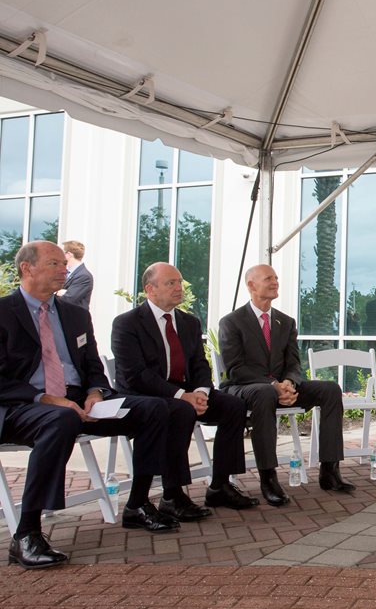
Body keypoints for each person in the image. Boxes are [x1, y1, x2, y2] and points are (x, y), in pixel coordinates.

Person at [0, 242, 179, 569]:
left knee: (155, 408)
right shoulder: (3, 312)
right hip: (23, 405)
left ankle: (137, 505)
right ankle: (26, 533)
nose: (64, 271)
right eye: (54, 264)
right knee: (60, 419)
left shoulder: (75, 314)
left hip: (80, 402)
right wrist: (47, 398)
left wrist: (96, 392)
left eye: (63, 264)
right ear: (27, 269)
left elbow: (93, 365)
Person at [110, 263, 259, 519]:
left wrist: (200, 391)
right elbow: (136, 375)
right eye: (171, 283)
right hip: (145, 395)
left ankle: (219, 485)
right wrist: (182, 396)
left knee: (233, 406)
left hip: (186, 393)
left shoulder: (189, 322)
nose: (179, 288)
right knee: (180, 410)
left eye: (180, 282)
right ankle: (172, 494)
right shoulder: (127, 323)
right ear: (150, 289)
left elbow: (200, 364)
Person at [218, 264, 353, 506]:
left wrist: (289, 382)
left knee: (330, 389)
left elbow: (294, 362)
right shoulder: (232, 322)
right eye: (268, 278)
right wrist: (273, 385)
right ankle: (268, 478)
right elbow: (236, 368)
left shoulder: (285, 322)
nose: (275, 282)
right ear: (251, 285)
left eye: (277, 278)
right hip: (244, 388)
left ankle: (330, 471)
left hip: (279, 388)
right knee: (264, 393)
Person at [58, 240, 93, 310]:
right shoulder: (67, 272)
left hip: (75, 318)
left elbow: (68, 299)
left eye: (61, 253)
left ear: (69, 254)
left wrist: (57, 293)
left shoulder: (83, 276)